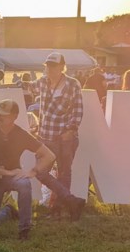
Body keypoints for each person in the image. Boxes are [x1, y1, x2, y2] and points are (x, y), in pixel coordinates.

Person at [0, 100, 85, 240]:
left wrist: (33, 171)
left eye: (3, 115)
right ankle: (9, 211)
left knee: (25, 184)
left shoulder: (20, 134)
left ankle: (24, 229)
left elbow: (50, 155)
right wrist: (5, 172)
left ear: (14, 117)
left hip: (12, 177)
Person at [23, 52, 84, 216]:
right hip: (45, 136)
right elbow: (29, 86)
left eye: (54, 66)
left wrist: (70, 130)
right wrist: (14, 84)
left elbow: (78, 110)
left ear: (62, 67)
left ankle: (59, 208)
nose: (50, 69)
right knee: (41, 172)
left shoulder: (72, 84)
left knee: (65, 172)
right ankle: (71, 200)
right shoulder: (42, 82)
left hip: (64, 137)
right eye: (48, 66)